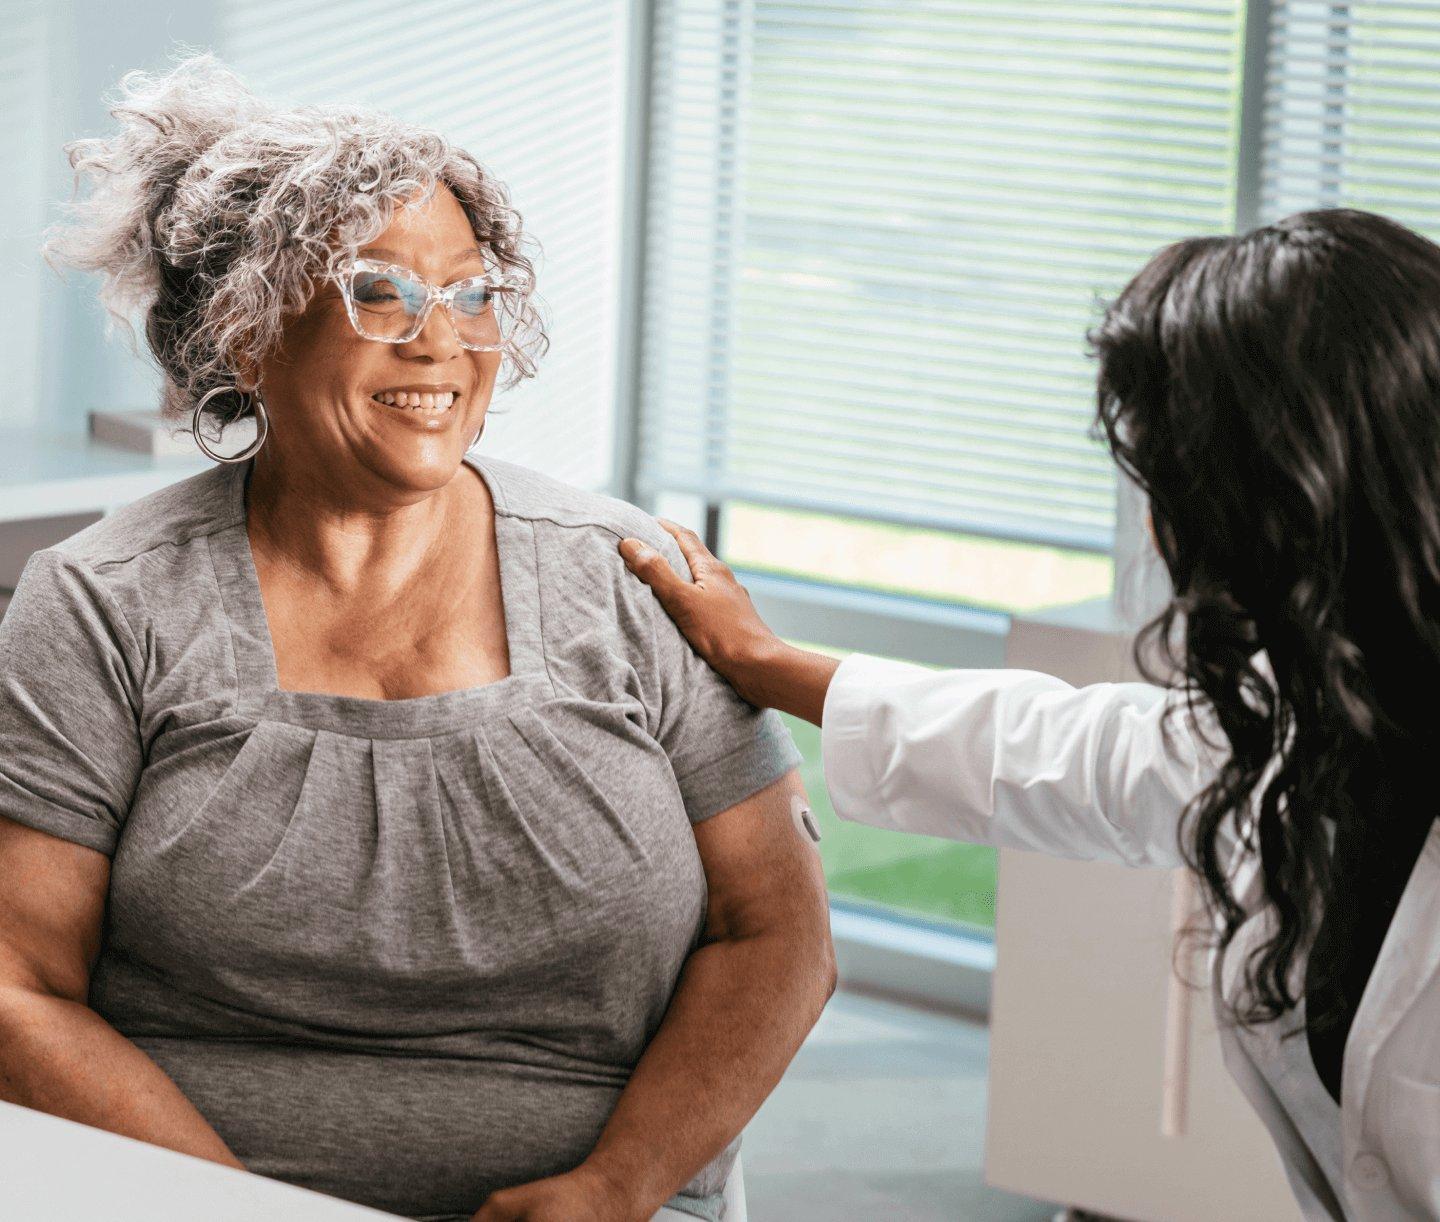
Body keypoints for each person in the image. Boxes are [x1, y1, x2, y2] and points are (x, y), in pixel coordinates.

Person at [0, 54, 834, 1222]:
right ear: (246, 337)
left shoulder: (630, 574)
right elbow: (18, 986)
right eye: (380, 293)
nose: (442, 342)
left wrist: (615, 1185)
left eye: (474, 294)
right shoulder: (100, 600)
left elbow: (780, 931)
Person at [620, 207, 1440, 1221]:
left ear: (1293, 492)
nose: (1154, 521)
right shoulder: (1328, 713)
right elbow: (1077, 753)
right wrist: (767, 661)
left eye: (1175, 480)